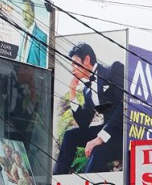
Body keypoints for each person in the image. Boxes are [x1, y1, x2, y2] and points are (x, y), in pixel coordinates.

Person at [53, 42, 124, 174]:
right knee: (70, 136)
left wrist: (100, 138)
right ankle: (58, 179)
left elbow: (123, 106)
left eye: (75, 63)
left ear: (86, 59)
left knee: (97, 150)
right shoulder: (87, 90)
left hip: (121, 133)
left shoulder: (113, 70)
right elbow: (84, 122)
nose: (72, 68)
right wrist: (72, 94)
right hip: (105, 130)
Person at [17, 0, 47, 67]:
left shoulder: (42, 36)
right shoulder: (22, 34)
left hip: (33, 77)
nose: (24, 15)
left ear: (33, 13)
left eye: (27, 12)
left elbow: (43, 66)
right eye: (23, 12)